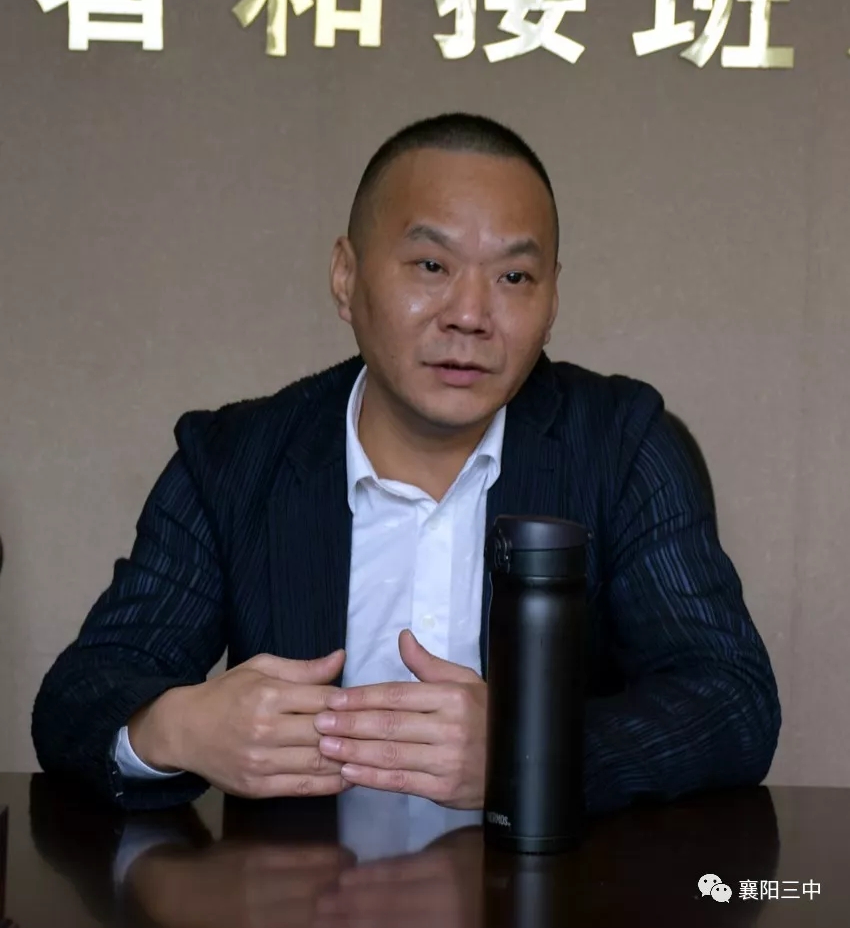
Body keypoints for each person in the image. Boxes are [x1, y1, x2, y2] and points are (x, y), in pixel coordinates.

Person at [31, 112, 781, 817]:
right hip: (294, 889)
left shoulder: (620, 446)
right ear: (346, 277)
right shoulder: (233, 459)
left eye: (514, 278)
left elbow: (732, 700)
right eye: (430, 264)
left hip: (545, 887)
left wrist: (531, 751)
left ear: (553, 299)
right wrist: (180, 727)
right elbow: (81, 693)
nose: (469, 315)